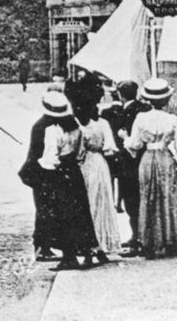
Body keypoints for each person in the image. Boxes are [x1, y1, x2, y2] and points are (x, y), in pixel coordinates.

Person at [123, 78, 177, 259]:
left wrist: (124, 138)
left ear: (148, 100)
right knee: (168, 196)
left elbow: (135, 144)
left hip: (147, 159)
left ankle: (149, 242)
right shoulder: (172, 119)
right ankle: (170, 240)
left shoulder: (141, 118)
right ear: (166, 100)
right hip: (165, 158)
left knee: (148, 197)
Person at [36, 91, 101, 270]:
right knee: (80, 212)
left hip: (59, 174)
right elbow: (80, 152)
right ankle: (87, 253)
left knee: (62, 214)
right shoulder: (76, 128)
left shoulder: (52, 130)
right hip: (74, 171)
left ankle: (69, 256)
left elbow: (50, 158)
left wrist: (45, 172)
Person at [18, 92, 61, 261]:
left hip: (43, 172)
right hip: (42, 173)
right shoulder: (43, 127)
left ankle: (45, 245)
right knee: (44, 209)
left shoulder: (42, 125)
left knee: (46, 209)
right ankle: (41, 247)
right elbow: (40, 155)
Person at [76, 103, 122, 257]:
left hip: (85, 163)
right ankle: (97, 241)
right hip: (97, 161)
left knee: (93, 200)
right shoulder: (102, 124)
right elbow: (110, 147)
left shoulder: (76, 124)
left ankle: (94, 242)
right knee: (97, 200)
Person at [113, 80, 149, 254]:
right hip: (145, 158)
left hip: (129, 160)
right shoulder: (145, 108)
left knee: (132, 199)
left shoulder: (126, 112)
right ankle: (138, 236)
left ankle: (137, 237)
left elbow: (128, 139)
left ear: (120, 94)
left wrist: (122, 136)